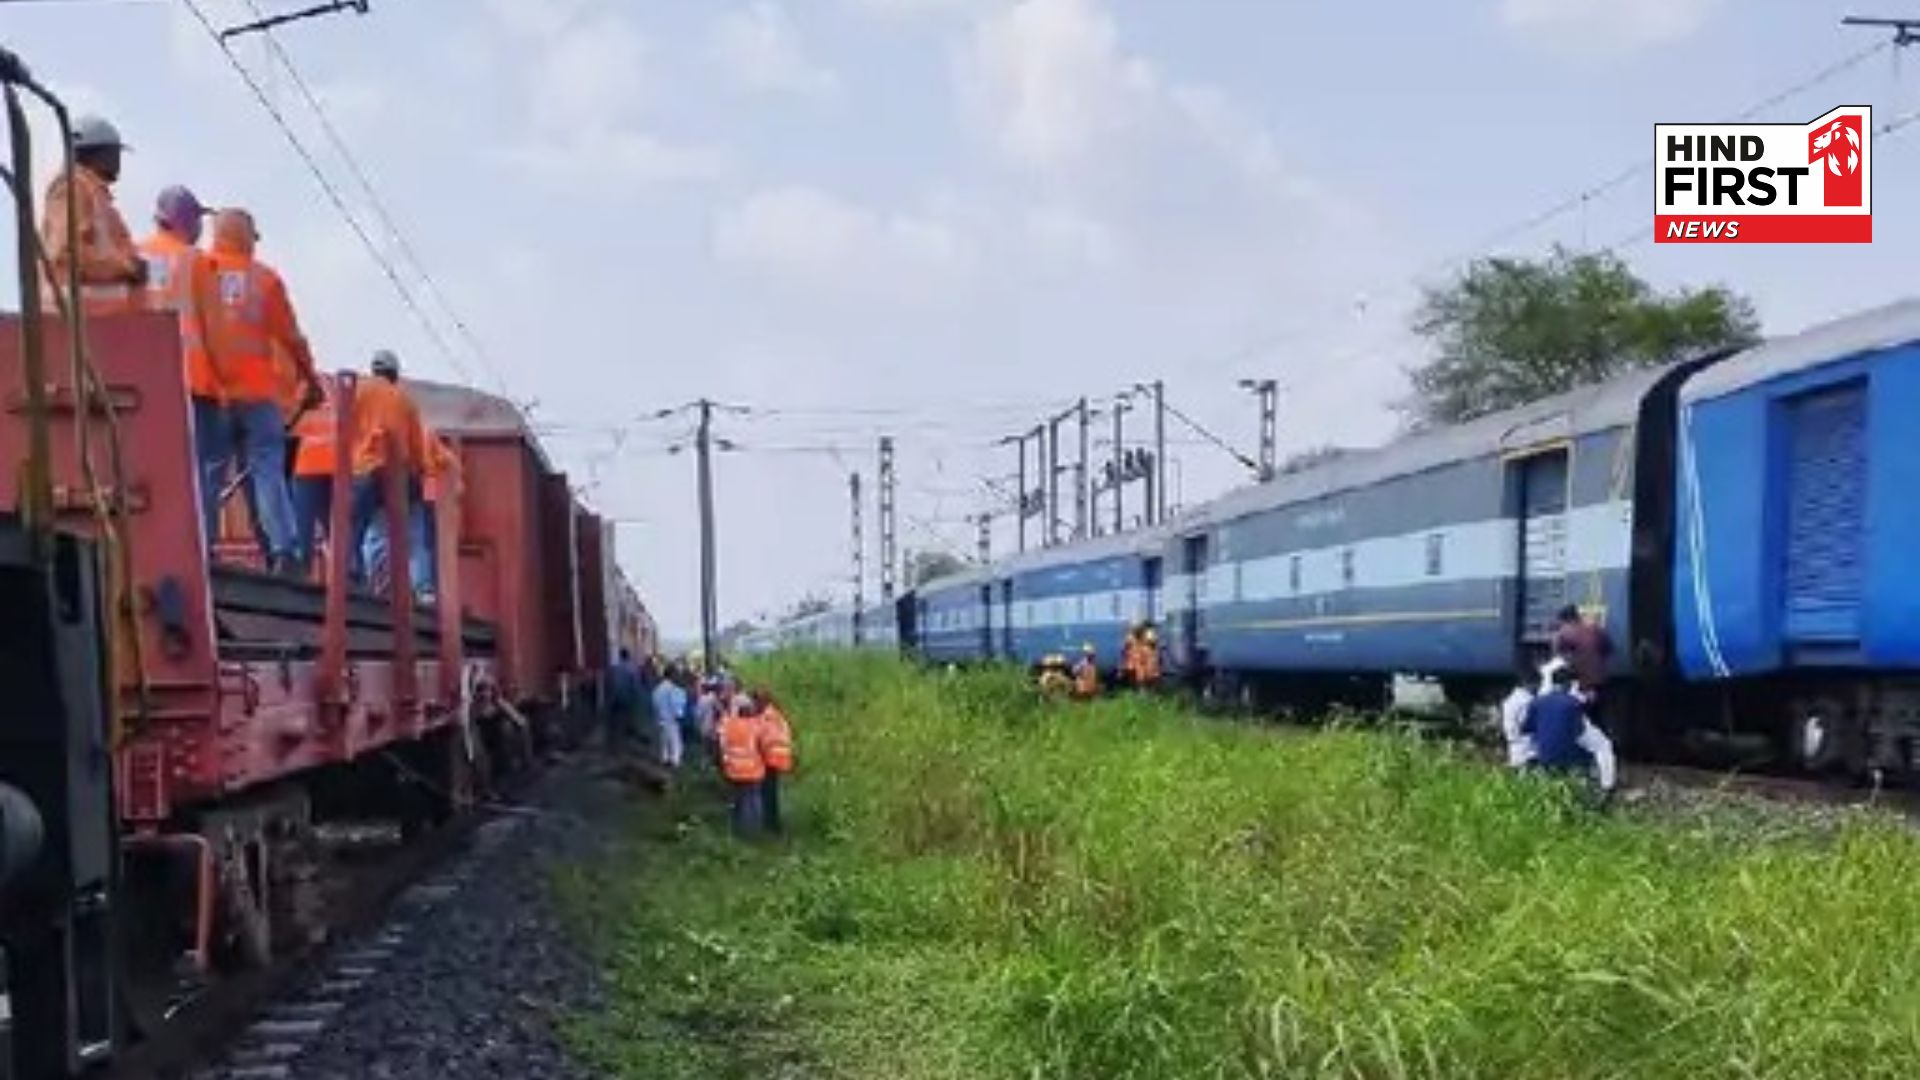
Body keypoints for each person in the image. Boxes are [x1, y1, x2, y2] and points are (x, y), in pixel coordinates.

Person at [202, 208, 323, 574]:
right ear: (248, 237)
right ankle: (284, 552)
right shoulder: (265, 280)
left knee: (210, 471)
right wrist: (311, 380)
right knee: (268, 471)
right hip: (257, 396)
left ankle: (203, 548)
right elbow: (292, 338)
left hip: (212, 394)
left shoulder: (197, 273)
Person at [39, 115, 145, 313]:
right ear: (98, 152)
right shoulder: (71, 187)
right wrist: (127, 267)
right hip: (73, 322)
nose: (118, 161)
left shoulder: (94, 193)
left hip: (96, 321)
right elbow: (66, 253)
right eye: (115, 152)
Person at [348, 350, 429, 587]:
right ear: (394, 373)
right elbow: (416, 446)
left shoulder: (357, 394)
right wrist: (418, 473)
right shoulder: (404, 400)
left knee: (362, 531)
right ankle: (421, 587)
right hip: (398, 473)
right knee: (413, 536)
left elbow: (346, 432)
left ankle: (361, 578)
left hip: (365, 470)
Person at [1520, 663, 1617, 794]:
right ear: (1570, 684)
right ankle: (1607, 787)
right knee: (1604, 746)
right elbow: (1580, 733)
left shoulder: (1536, 702)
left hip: (1544, 756)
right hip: (1568, 757)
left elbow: (1525, 729)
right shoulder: (1572, 704)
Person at [288, 373, 340, 570]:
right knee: (335, 525)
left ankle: (302, 568)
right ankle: (347, 573)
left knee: (303, 523)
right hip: (336, 468)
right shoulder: (339, 390)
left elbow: (287, 423)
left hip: (308, 467)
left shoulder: (303, 385)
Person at [717, 693, 767, 837]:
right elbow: (763, 745)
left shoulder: (729, 725)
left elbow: (722, 744)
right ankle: (754, 830)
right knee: (754, 799)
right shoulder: (756, 725)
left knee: (739, 799)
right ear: (750, 712)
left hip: (733, 770)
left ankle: (739, 829)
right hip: (753, 769)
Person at [1551, 605, 1613, 699]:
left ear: (1565, 619)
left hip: (1579, 680)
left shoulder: (1563, 632)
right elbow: (1608, 648)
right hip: (1600, 678)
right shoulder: (1595, 628)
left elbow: (1557, 655)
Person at [755, 688, 795, 834]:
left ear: (762, 702)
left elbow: (761, 738)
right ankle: (774, 824)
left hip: (770, 757)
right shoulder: (778, 715)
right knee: (772, 792)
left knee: (768, 793)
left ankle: (771, 826)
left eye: (757, 702)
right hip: (782, 756)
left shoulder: (765, 717)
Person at [1498, 658, 1540, 769]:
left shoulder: (1509, 700)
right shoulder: (1528, 701)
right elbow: (1528, 725)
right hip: (1528, 749)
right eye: (1537, 683)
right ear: (1529, 683)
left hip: (1513, 748)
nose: (1539, 687)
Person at [605, 648, 645, 754]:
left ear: (620, 656)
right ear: (628, 656)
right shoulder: (633, 669)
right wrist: (638, 697)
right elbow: (636, 685)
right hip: (628, 698)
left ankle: (614, 747)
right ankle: (626, 746)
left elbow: (609, 683)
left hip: (615, 698)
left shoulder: (614, 668)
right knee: (628, 720)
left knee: (616, 723)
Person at [650, 664, 689, 769]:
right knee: (675, 747)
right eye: (676, 673)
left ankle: (663, 765)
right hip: (671, 721)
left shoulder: (657, 689)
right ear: (671, 674)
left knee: (663, 748)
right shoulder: (673, 689)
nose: (677, 676)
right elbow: (676, 706)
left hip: (659, 721)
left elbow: (654, 705)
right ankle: (674, 770)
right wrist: (679, 715)